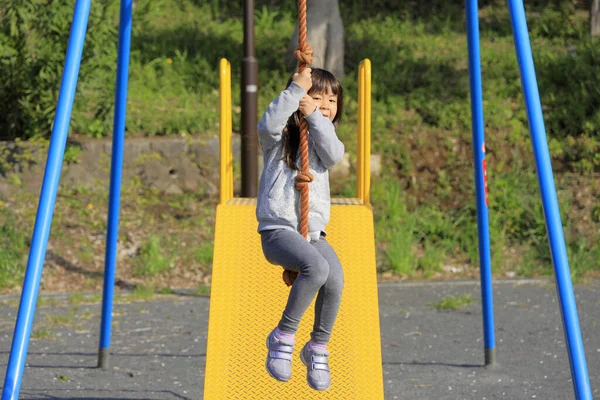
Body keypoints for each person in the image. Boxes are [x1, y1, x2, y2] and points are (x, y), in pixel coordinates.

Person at [255, 67, 345, 391]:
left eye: (332, 99)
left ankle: (317, 348)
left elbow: (335, 153)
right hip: (278, 230)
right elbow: (267, 123)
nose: (325, 103)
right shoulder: (277, 141)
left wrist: (316, 117)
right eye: (317, 96)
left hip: (312, 234)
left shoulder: (322, 143)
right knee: (317, 267)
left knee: (334, 277)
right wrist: (295, 91)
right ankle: (282, 336)